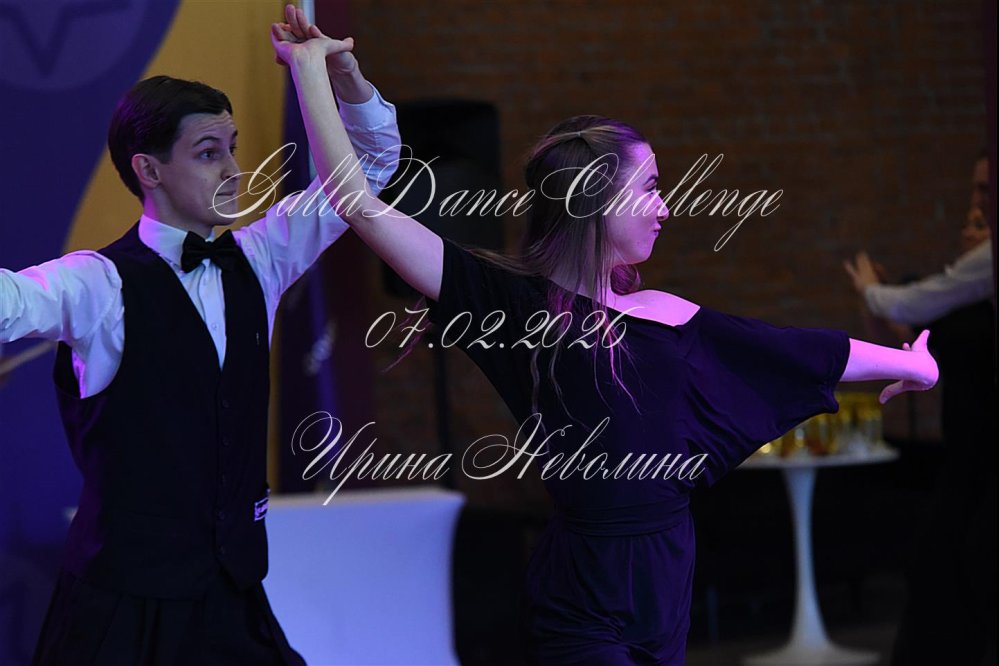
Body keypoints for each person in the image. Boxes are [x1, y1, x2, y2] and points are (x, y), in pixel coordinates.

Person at [272, 9, 938, 664]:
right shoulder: (513, 307)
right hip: (582, 601)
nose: (665, 207)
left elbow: (793, 353)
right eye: (649, 188)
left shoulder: (666, 315)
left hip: (665, 589)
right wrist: (318, 74)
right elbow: (359, 204)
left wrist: (909, 363)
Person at [0, 5, 400, 663]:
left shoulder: (262, 256)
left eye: (233, 147)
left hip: (233, 592)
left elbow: (369, 172)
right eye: (209, 153)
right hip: (123, 604)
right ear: (149, 170)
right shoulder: (96, 283)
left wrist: (345, 78)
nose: (235, 169)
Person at [844, 155, 996, 666]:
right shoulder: (957, 305)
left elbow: (906, 308)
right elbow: (903, 341)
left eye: (983, 208)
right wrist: (871, 298)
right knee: (939, 571)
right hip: (964, 455)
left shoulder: (975, 295)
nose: (974, 220)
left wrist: (875, 292)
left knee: (965, 566)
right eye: (972, 208)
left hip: (984, 457)